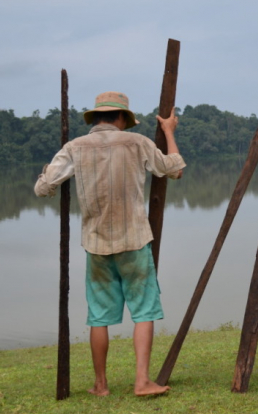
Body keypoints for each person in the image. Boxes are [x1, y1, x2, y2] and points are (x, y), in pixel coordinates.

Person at [34, 91, 186, 396]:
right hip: (134, 240)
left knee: (99, 316)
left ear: (97, 118)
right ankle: (142, 381)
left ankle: (100, 385)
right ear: (121, 118)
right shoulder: (137, 142)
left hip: (96, 243)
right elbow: (174, 169)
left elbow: (43, 188)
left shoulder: (74, 147)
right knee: (143, 310)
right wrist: (168, 131)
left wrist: (51, 179)